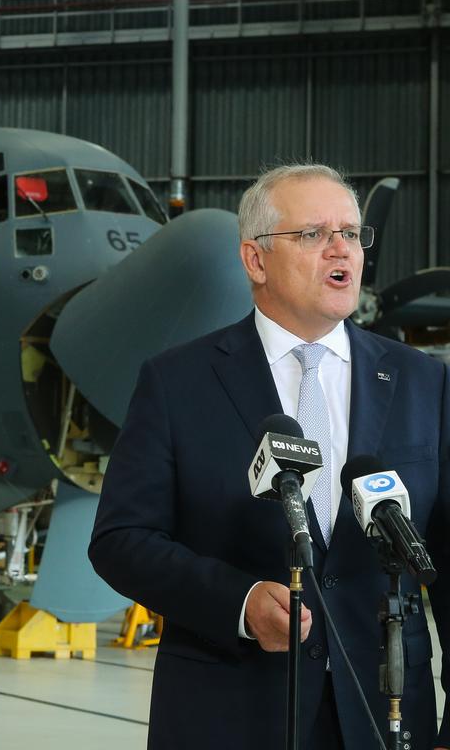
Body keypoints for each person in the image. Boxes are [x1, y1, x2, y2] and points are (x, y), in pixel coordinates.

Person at [88, 164, 450, 750]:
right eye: (313, 234)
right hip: (229, 714)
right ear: (255, 260)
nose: (342, 249)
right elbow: (121, 539)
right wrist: (241, 601)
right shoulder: (178, 382)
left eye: (352, 233)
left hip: (385, 716)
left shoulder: (421, 381)